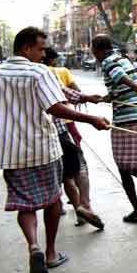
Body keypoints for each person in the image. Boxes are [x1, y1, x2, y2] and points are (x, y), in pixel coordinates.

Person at [0, 27, 110, 273]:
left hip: (10, 151)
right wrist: (91, 119)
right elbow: (55, 106)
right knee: (53, 199)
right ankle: (51, 253)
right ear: (25, 49)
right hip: (41, 147)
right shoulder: (37, 71)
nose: (44, 54)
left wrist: (85, 98)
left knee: (25, 202)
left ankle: (33, 245)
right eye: (40, 49)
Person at [91, 35, 137, 225]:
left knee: (126, 168)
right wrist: (106, 97)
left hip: (126, 119)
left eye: (93, 50)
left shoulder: (108, 62)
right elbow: (120, 86)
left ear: (97, 49)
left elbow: (122, 78)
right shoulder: (122, 58)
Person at [41, 48, 104, 229]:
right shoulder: (47, 73)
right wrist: (88, 102)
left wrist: (88, 99)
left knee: (64, 174)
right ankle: (85, 206)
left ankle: (76, 207)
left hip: (45, 131)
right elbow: (67, 94)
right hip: (63, 125)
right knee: (79, 166)